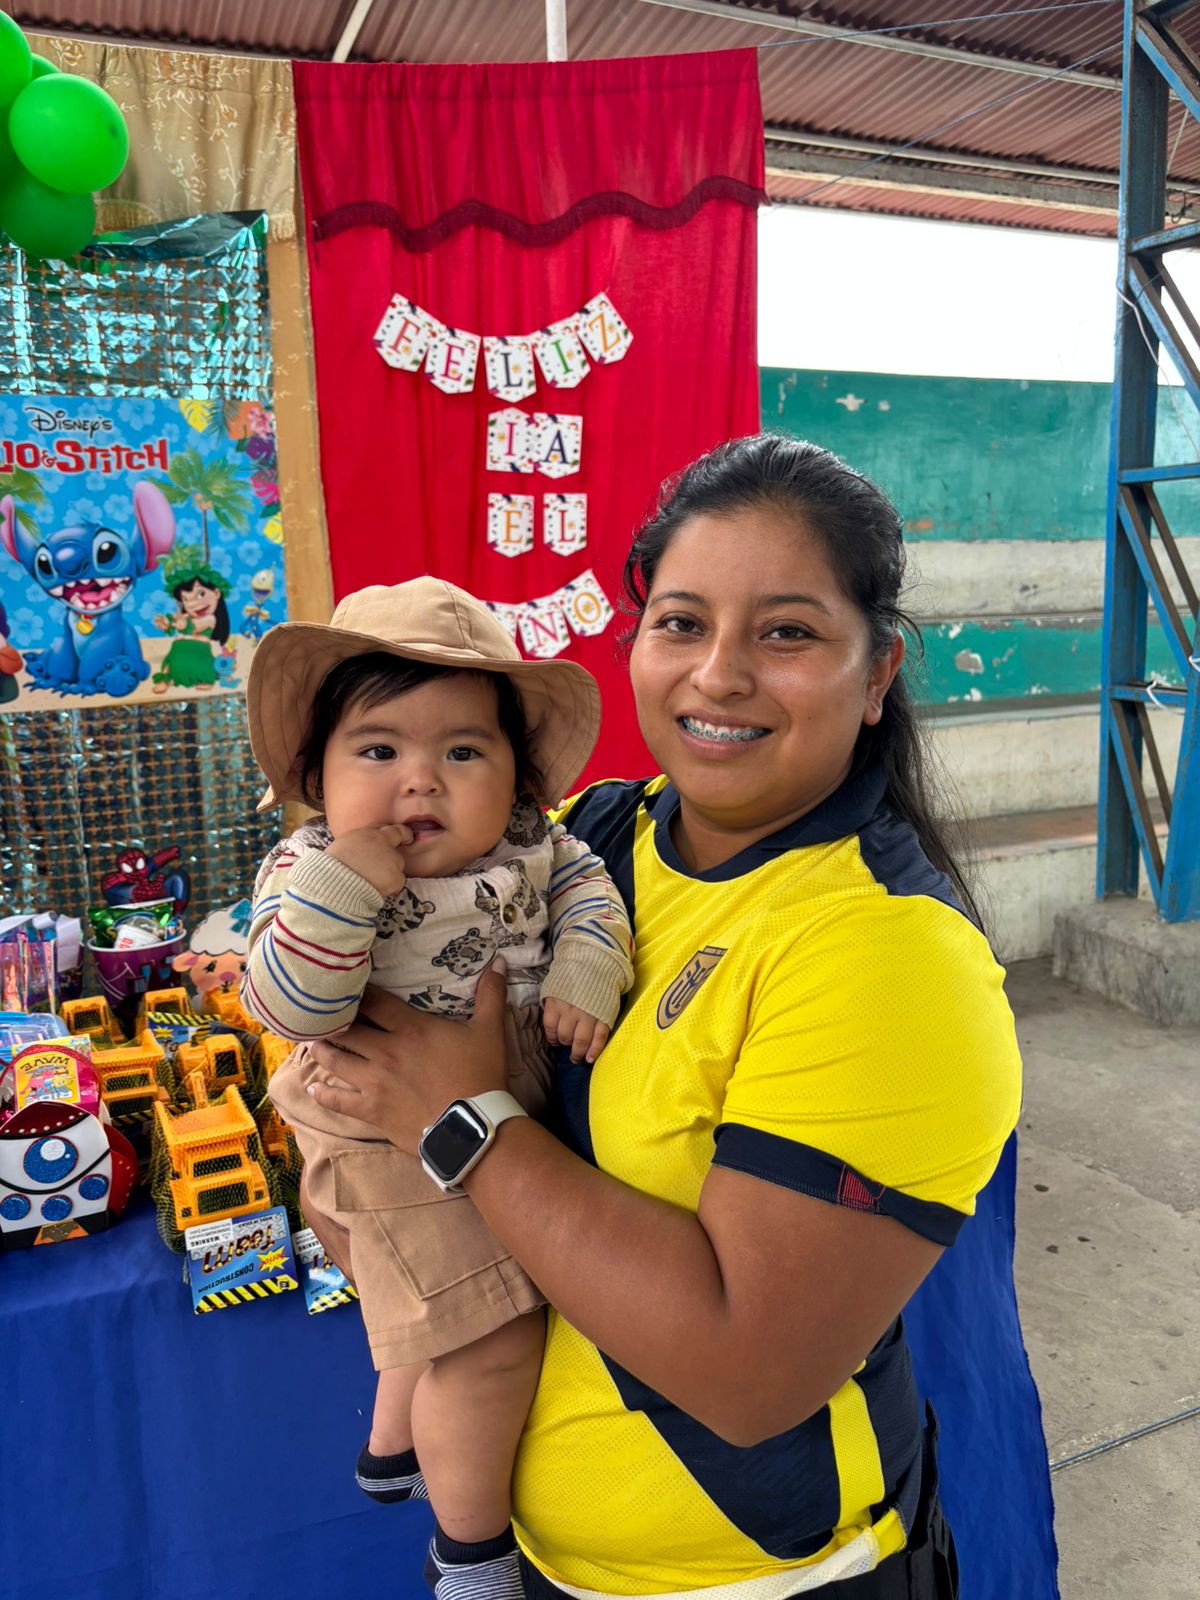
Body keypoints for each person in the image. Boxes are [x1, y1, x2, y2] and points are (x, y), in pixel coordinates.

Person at [300, 435, 1033, 1600]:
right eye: (682, 622)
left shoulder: (892, 956)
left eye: (786, 633)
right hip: (552, 1562)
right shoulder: (596, 834)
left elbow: (750, 1372)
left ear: (877, 671)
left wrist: (459, 1119)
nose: (719, 675)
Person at [240, 580, 634, 1553]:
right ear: (317, 775)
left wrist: (589, 961)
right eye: (378, 751)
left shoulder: (536, 844)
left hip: (495, 1102)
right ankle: (470, 1551)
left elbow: (588, 889)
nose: (420, 782)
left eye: (462, 751)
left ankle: (392, 1449)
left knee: (439, 1299)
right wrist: (344, 890)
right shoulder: (308, 871)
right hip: (385, 1134)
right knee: (490, 1331)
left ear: (518, 779)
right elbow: (288, 1007)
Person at [152, 547, 230, 691]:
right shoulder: (186, 616)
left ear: (216, 593)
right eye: (186, 600)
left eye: (200, 594)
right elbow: (176, 622)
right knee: (171, 660)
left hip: (199, 651)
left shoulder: (210, 619)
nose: (193, 604)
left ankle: (206, 679)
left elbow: (193, 626)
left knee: (201, 667)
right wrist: (167, 623)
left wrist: (182, 625)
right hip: (179, 650)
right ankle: (166, 679)